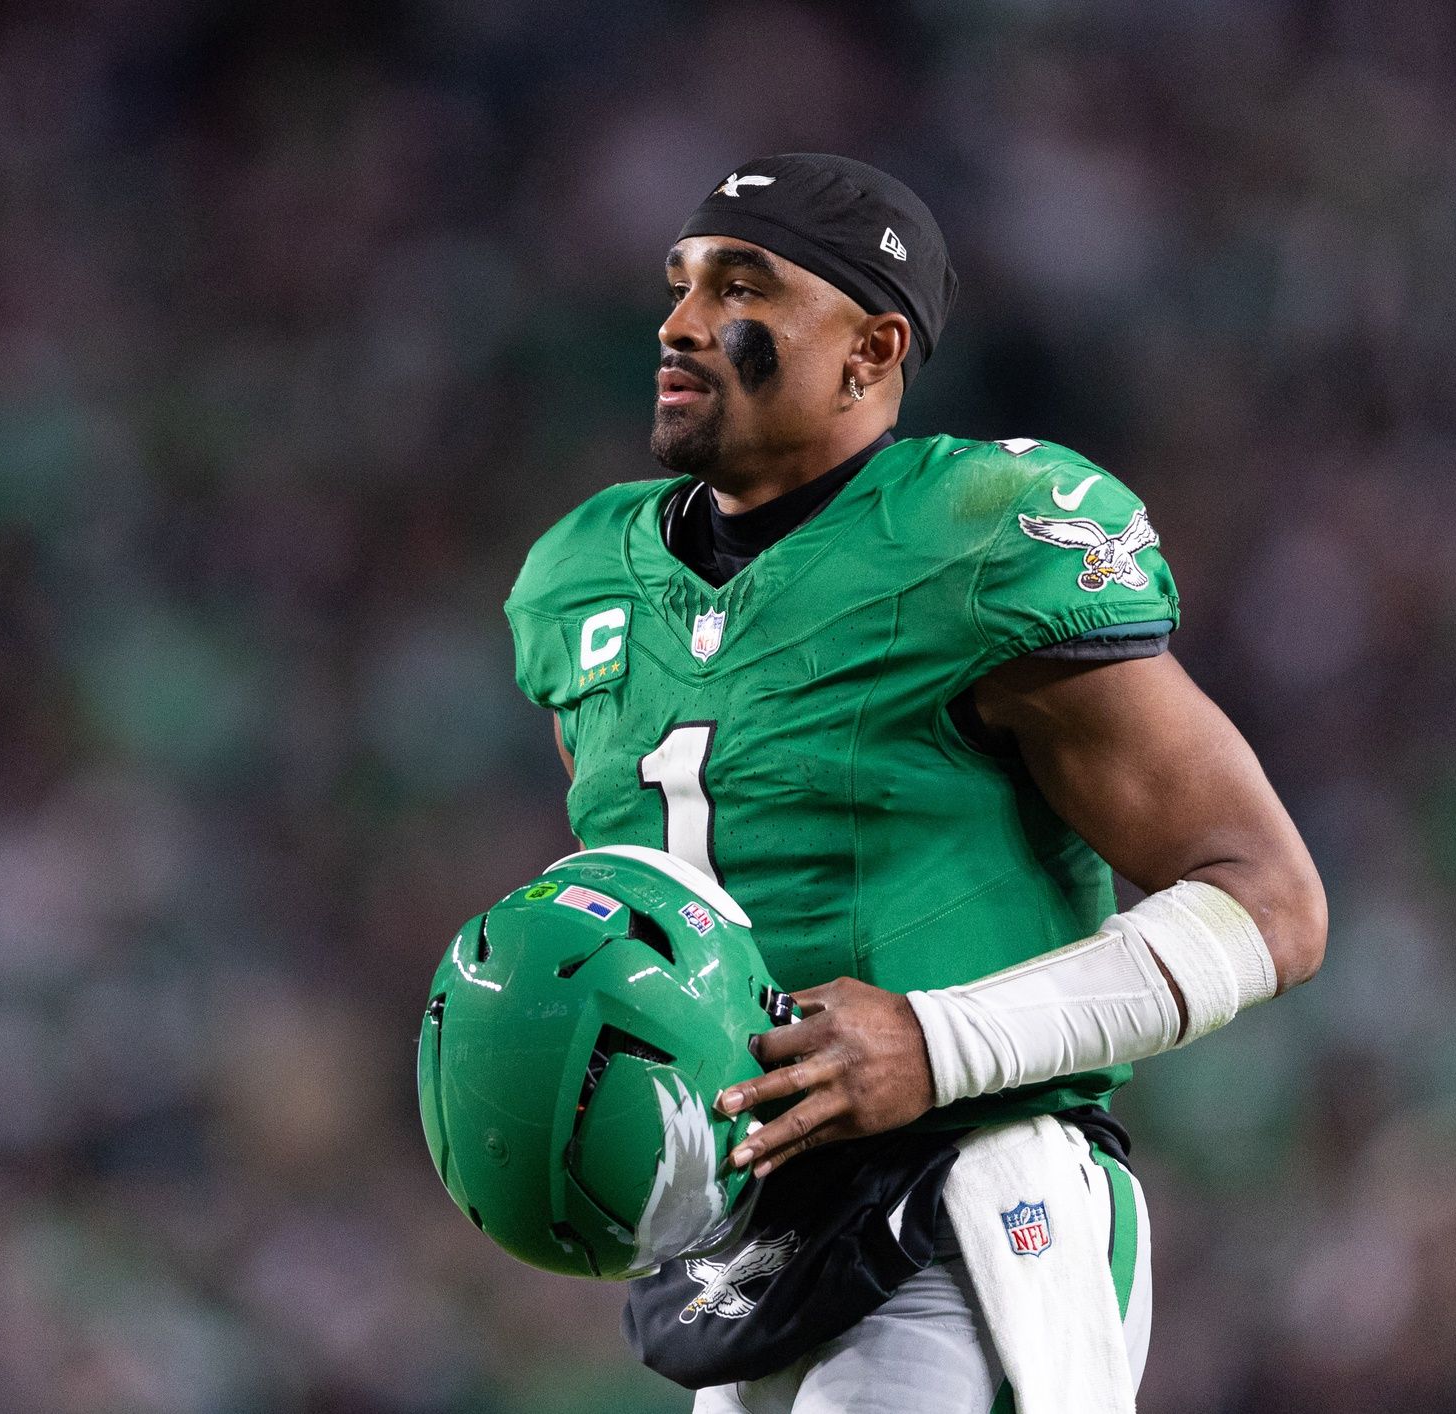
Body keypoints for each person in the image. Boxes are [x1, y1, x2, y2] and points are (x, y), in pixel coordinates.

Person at [502, 153, 1327, 1414]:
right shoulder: (580, 580)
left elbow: (1270, 901)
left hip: (973, 1195)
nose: (676, 323)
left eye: (740, 286)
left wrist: (937, 1042)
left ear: (869, 350)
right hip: (746, 1235)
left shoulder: (982, 532)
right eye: (677, 285)